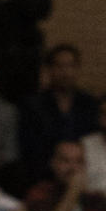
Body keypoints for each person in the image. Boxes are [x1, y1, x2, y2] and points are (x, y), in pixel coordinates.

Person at [18, 42, 98, 185]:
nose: (65, 72)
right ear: (49, 70)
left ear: (77, 69)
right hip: (42, 179)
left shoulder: (90, 104)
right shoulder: (33, 106)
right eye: (59, 66)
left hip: (84, 178)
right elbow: (29, 151)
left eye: (70, 66)